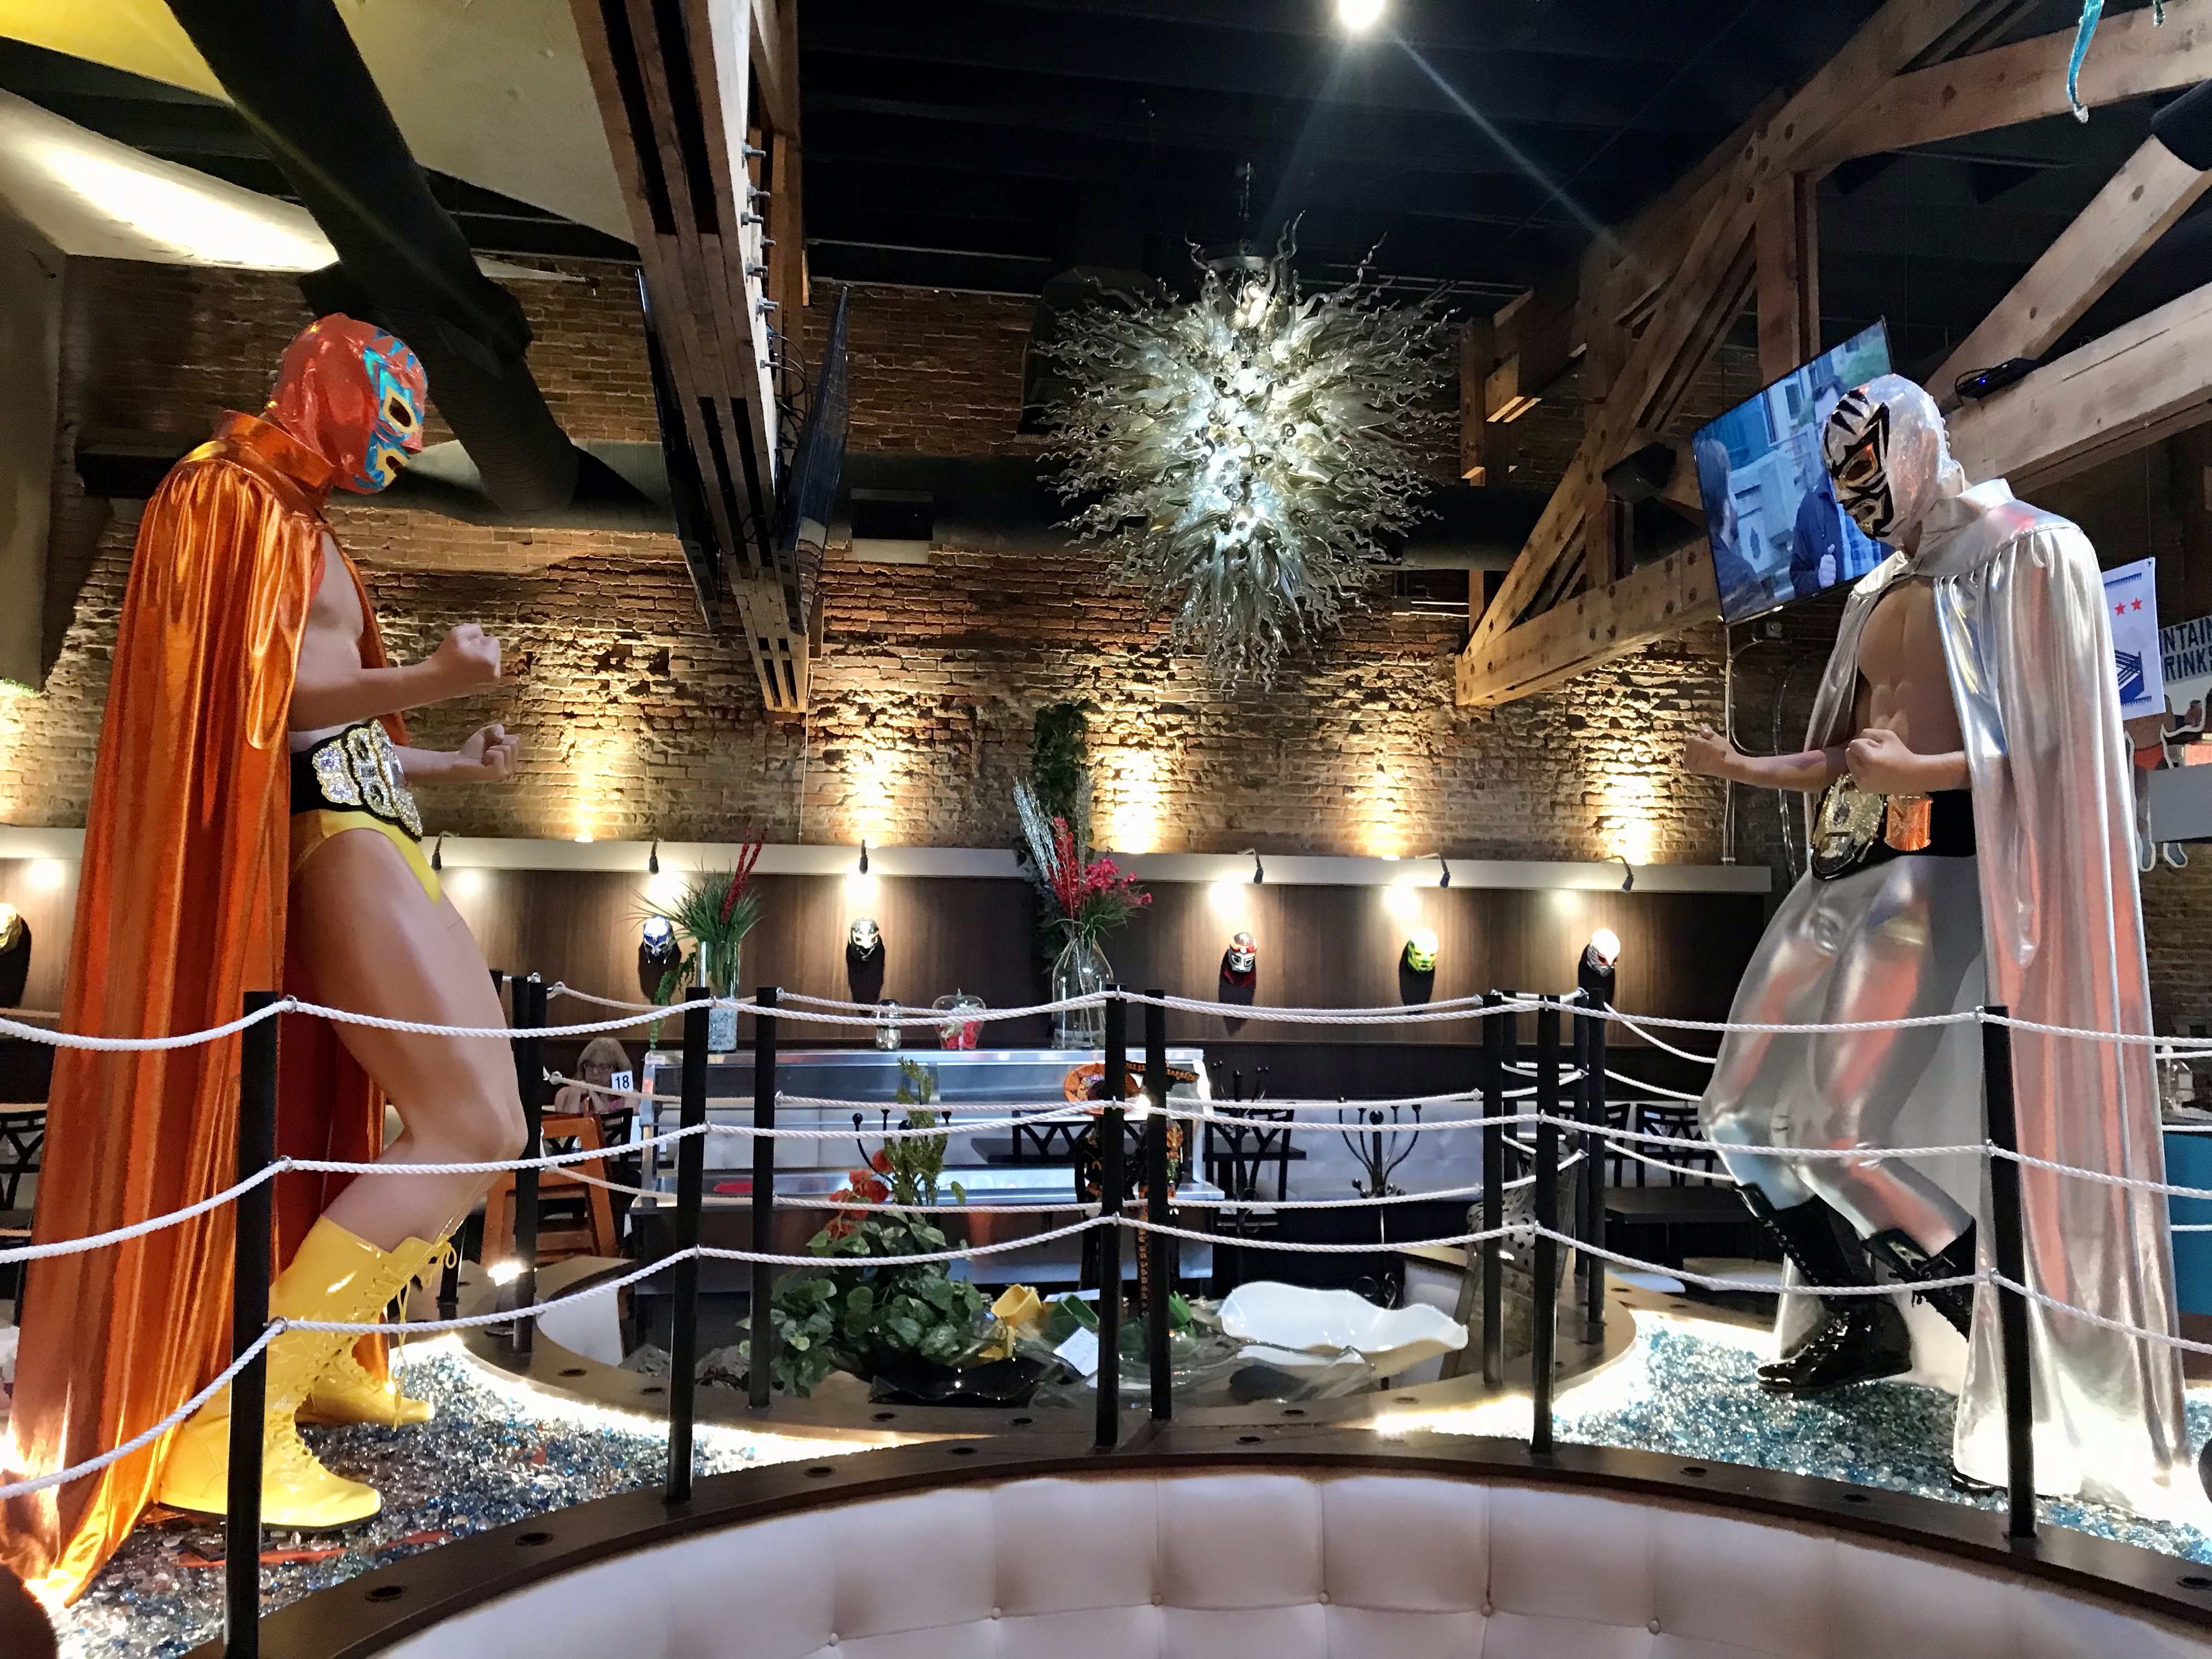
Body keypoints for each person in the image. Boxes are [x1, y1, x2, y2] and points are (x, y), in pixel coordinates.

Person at [2, 316, 524, 1602]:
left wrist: (449, 756)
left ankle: (318, 1353)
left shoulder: (296, 520)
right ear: (337, 389)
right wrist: (432, 678)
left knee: (485, 1119)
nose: (407, 438)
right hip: (331, 844)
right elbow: (264, 709)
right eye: (392, 407)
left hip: (369, 828)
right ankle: (238, 1415)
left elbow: (329, 724)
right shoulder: (228, 495)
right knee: (471, 1122)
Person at [1681, 375, 2190, 1513]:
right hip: (1844, 865)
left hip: (1945, 866)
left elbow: (2065, 745)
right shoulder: (1881, 588)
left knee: (1836, 1132)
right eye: (1841, 481)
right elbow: (1847, 752)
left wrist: (1922, 771)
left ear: (1915, 445)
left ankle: (2006, 1350)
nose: (1859, 498)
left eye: (1868, 470)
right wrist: (1746, 769)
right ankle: (1859, 1318)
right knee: (1739, 1115)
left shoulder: (2029, 552)